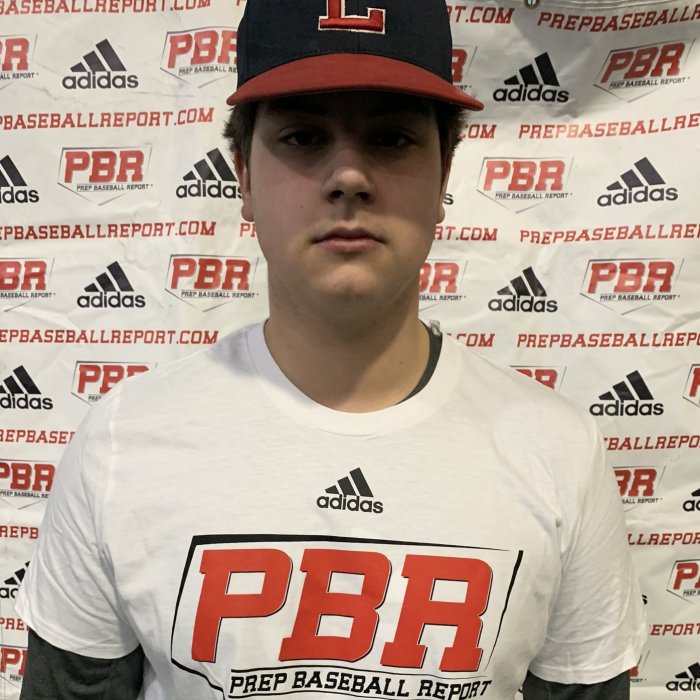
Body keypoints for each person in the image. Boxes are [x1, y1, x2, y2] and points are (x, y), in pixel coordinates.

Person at [16, 1, 646, 698]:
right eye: (304, 137)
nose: (349, 176)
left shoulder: (558, 449)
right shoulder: (123, 442)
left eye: (392, 139)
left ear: (444, 176)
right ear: (243, 177)